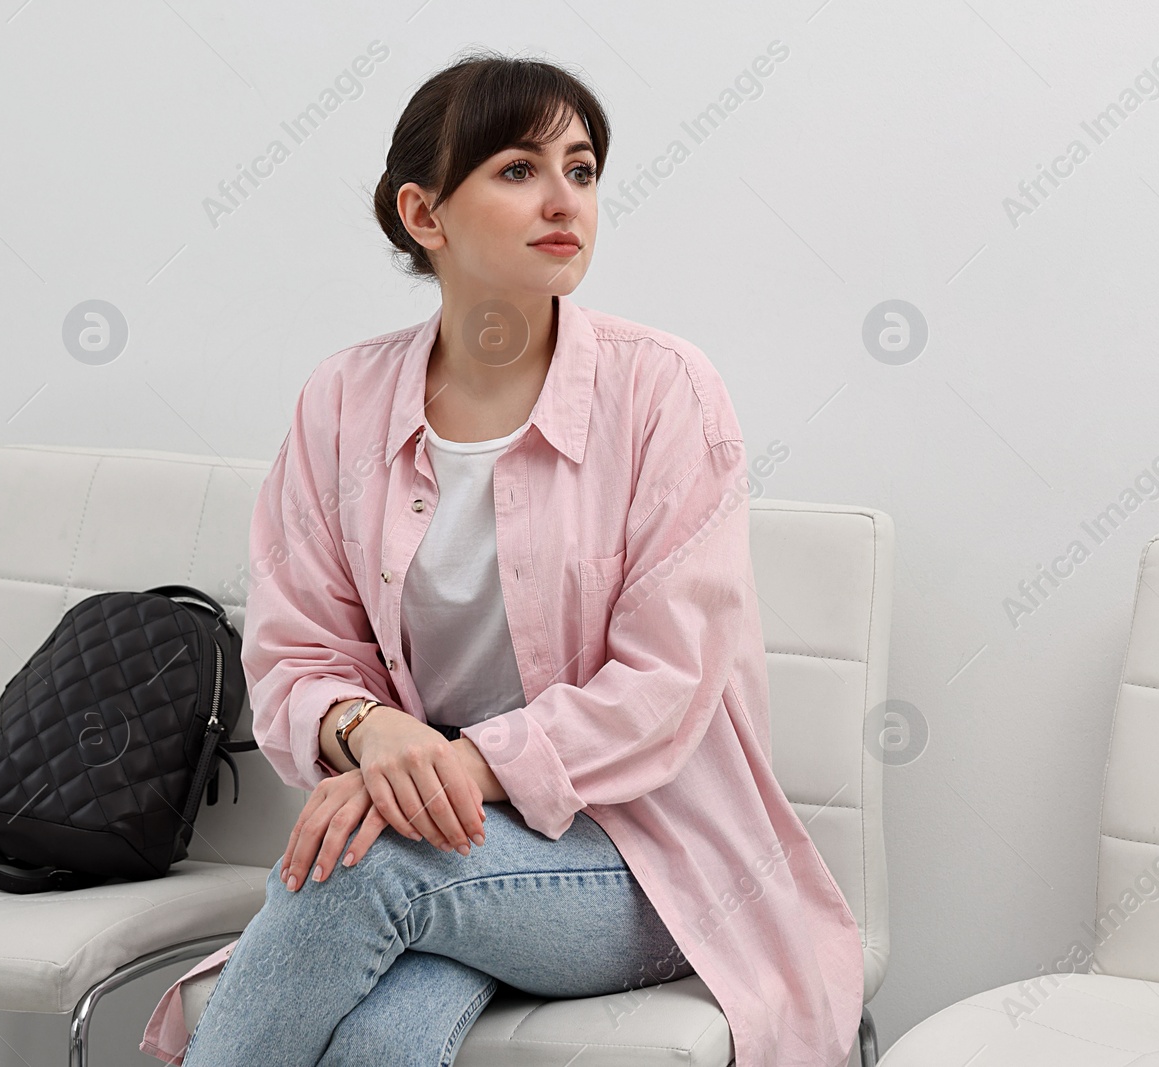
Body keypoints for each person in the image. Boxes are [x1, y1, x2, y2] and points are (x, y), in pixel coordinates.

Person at [143, 48, 863, 1067]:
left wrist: (455, 767)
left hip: (649, 860)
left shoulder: (662, 390)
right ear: (423, 215)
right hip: (447, 845)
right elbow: (294, 650)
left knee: (362, 870)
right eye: (518, 170)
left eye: (580, 168)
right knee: (385, 1036)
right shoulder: (342, 401)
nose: (563, 197)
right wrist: (367, 730)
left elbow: (665, 679)